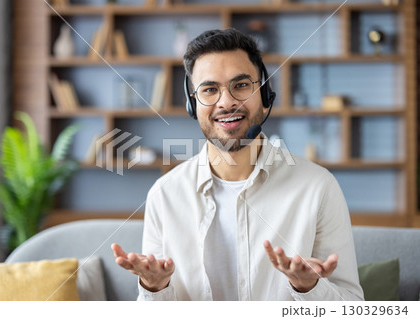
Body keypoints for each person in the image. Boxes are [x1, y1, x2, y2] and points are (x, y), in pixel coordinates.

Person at [111, 28, 364, 301]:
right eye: (209, 90)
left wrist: (309, 288)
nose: (227, 102)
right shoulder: (165, 195)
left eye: (241, 85)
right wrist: (155, 288)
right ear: (192, 104)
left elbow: (353, 307)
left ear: (264, 94)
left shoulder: (318, 187)